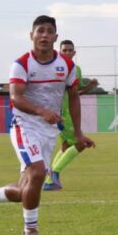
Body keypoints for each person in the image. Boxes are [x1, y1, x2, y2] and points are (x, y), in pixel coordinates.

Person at [0, 17, 94, 235]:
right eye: (40, 31)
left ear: (55, 37)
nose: (45, 35)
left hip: (49, 131)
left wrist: (78, 133)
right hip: (24, 125)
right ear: (31, 36)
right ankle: (31, 231)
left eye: (49, 32)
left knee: (25, 189)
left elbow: (74, 98)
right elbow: (16, 98)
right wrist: (41, 111)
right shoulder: (22, 64)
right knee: (37, 174)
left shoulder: (67, 65)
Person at [42, 39, 98, 191]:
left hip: (65, 113)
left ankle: (48, 181)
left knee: (66, 146)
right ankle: (54, 174)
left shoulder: (76, 69)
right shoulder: (55, 69)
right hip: (63, 114)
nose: (67, 52)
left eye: (69, 50)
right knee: (81, 143)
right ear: (59, 51)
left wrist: (89, 87)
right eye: (64, 50)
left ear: (74, 53)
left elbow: (75, 93)